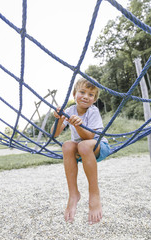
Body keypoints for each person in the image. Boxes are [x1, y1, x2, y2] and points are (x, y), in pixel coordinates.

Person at [51, 78, 111, 225]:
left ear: (94, 99)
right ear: (74, 94)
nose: (86, 96)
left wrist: (78, 125)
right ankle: (73, 193)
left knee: (84, 145)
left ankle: (94, 194)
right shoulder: (70, 110)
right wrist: (59, 118)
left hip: (98, 147)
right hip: (80, 149)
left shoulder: (93, 110)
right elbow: (55, 134)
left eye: (91, 95)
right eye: (82, 92)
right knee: (66, 145)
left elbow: (89, 136)